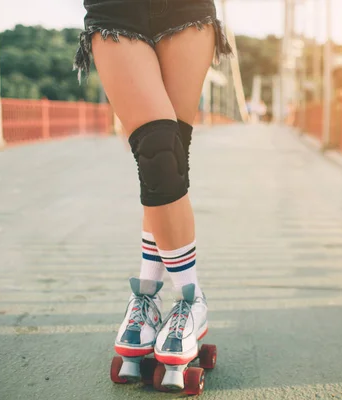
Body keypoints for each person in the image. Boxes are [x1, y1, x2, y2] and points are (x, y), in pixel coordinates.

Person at [73, 0, 232, 388]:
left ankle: (146, 297)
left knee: (169, 163)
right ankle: (191, 298)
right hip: (114, 11)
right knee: (157, 153)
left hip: (186, 10)